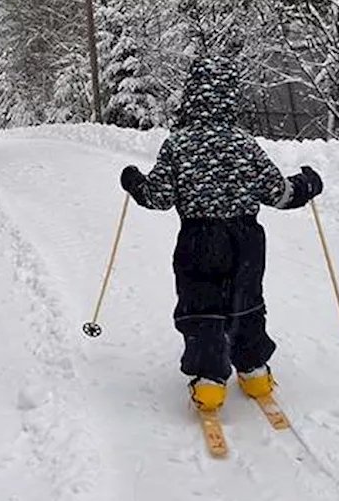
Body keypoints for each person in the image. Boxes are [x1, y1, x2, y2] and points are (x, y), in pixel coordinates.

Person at [119, 56, 324, 413]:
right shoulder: (243, 144)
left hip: (198, 239)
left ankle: (211, 381)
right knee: (247, 300)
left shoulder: (179, 144)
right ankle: (254, 369)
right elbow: (279, 193)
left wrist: (134, 181)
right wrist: (305, 185)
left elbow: (158, 198)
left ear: (192, 97)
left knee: (202, 304)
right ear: (230, 98)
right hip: (246, 239)